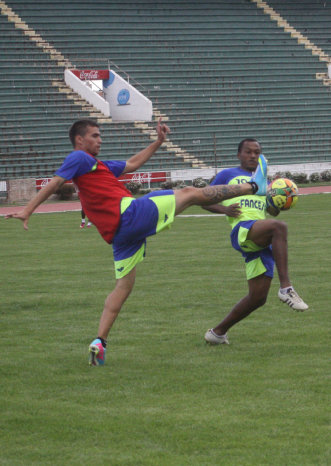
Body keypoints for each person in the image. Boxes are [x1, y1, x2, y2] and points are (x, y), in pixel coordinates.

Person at [6, 120, 267, 365]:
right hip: (128, 214)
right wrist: (29, 209)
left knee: (124, 286)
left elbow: (131, 164)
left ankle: (100, 342)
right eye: (95, 136)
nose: (100, 140)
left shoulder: (98, 166)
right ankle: (254, 187)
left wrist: (158, 142)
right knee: (189, 194)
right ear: (79, 139)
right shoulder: (79, 158)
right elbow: (56, 182)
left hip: (119, 234)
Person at [202, 138, 308, 346]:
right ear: (239, 155)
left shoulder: (261, 180)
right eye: (248, 152)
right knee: (280, 227)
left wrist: (278, 197)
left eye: (256, 152)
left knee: (258, 298)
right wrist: (224, 210)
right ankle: (286, 287)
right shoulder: (227, 175)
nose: (253, 155)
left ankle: (217, 333)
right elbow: (203, 198)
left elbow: (270, 211)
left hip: (260, 235)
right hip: (242, 230)